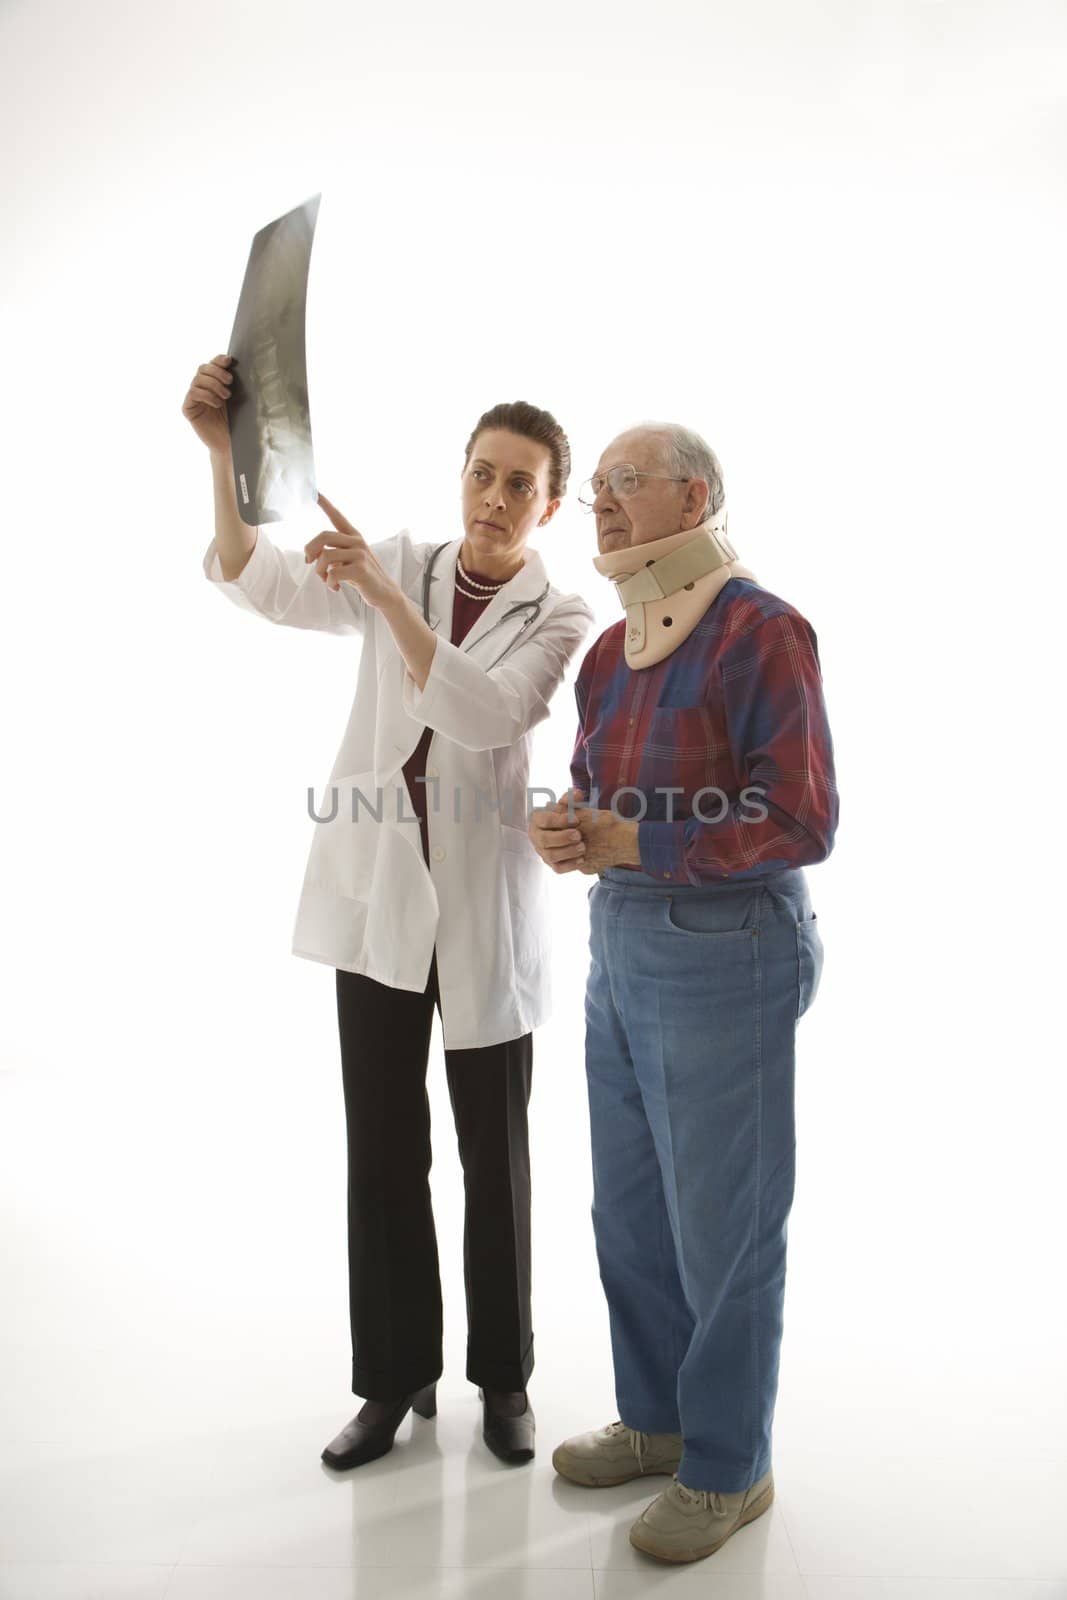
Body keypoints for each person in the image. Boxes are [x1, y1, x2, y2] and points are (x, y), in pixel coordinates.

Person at [183, 353, 594, 1470]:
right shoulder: (399, 560)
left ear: (549, 504)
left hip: (480, 922)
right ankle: (393, 1377)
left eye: (520, 484)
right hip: (377, 907)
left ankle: (501, 1380)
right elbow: (257, 580)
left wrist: (376, 597)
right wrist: (221, 455)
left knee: (493, 1159)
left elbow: (480, 712)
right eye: (482, 474)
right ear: (459, 476)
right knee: (381, 1151)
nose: (495, 499)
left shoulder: (561, 612)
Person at [528, 422, 839, 1563]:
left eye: (619, 483)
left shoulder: (762, 630)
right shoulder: (610, 653)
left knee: (724, 1230)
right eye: (593, 489)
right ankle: (657, 1420)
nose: (595, 504)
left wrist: (638, 840)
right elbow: (593, 789)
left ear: (691, 495)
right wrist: (565, 829)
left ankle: (726, 1467)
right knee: (632, 1213)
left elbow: (801, 818)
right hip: (621, 944)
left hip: (726, 952)